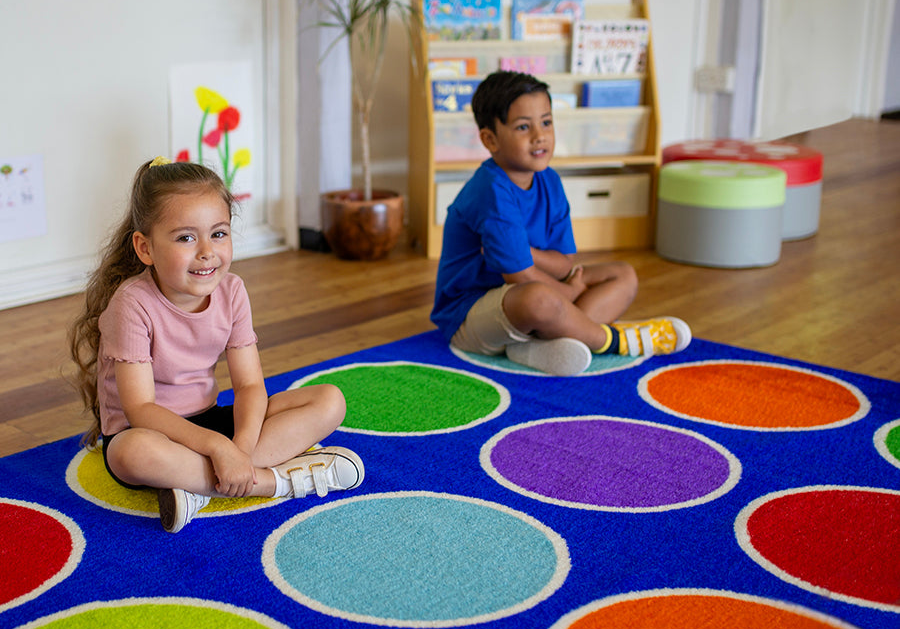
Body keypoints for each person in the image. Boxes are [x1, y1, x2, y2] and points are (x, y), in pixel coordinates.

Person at [69, 157, 364, 533]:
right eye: (185, 237)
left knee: (329, 400)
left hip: (209, 421)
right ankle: (276, 483)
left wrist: (238, 445)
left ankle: (201, 488)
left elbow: (249, 386)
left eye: (219, 233)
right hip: (152, 432)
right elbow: (141, 409)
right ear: (145, 248)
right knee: (132, 452)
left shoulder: (233, 291)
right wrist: (217, 448)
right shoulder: (131, 305)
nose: (207, 251)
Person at [431, 71, 691, 377]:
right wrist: (568, 291)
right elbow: (522, 278)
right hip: (470, 314)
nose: (539, 135)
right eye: (523, 127)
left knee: (622, 274)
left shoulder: (549, 181)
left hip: (527, 298)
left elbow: (565, 261)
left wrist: (529, 254)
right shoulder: (492, 190)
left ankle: (541, 344)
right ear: (490, 139)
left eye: (546, 122)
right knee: (539, 299)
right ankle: (611, 341)